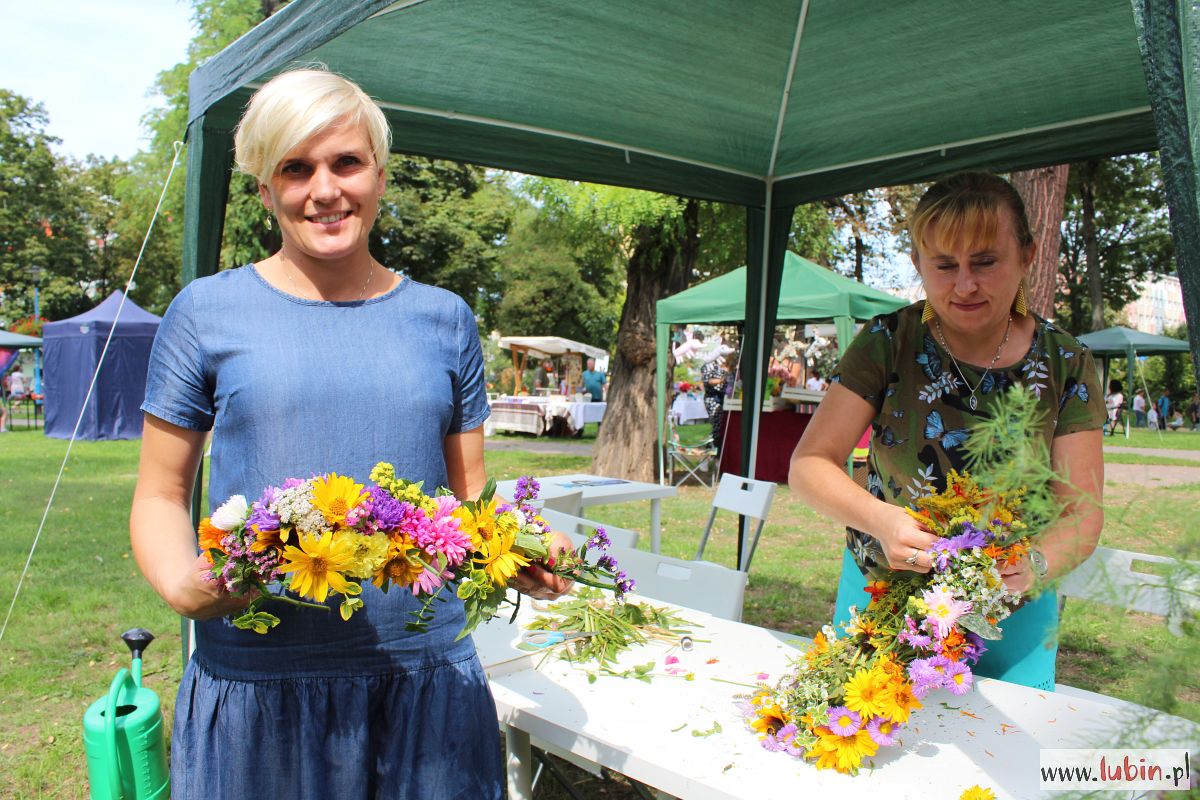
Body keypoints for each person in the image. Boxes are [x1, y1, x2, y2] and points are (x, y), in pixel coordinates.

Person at [129, 68, 570, 799]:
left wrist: (520, 545)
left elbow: (467, 499)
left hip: (422, 679)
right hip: (259, 678)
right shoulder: (205, 313)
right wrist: (182, 582)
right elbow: (159, 491)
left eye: (346, 163)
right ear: (265, 190)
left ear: (381, 175)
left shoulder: (445, 319)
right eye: (295, 169)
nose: (324, 190)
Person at [789, 171, 1104, 691]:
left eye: (985, 261)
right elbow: (808, 465)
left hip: (1011, 612)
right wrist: (880, 520)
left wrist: (1035, 564)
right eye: (944, 265)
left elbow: (1083, 511)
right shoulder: (888, 341)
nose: (964, 285)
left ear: (1026, 255)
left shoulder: (1066, 361)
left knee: (1004, 760)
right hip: (884, 591)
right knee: (867, 747)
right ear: (918, 264)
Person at [702, 353, 732, 449]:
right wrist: (722, 380)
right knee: (715, 423)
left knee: (720, 424)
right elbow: (708, 381)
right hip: (713, 398)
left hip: (723, 397)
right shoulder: (709, 366)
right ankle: (711, 447)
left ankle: (716, 446)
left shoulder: (725, 367)